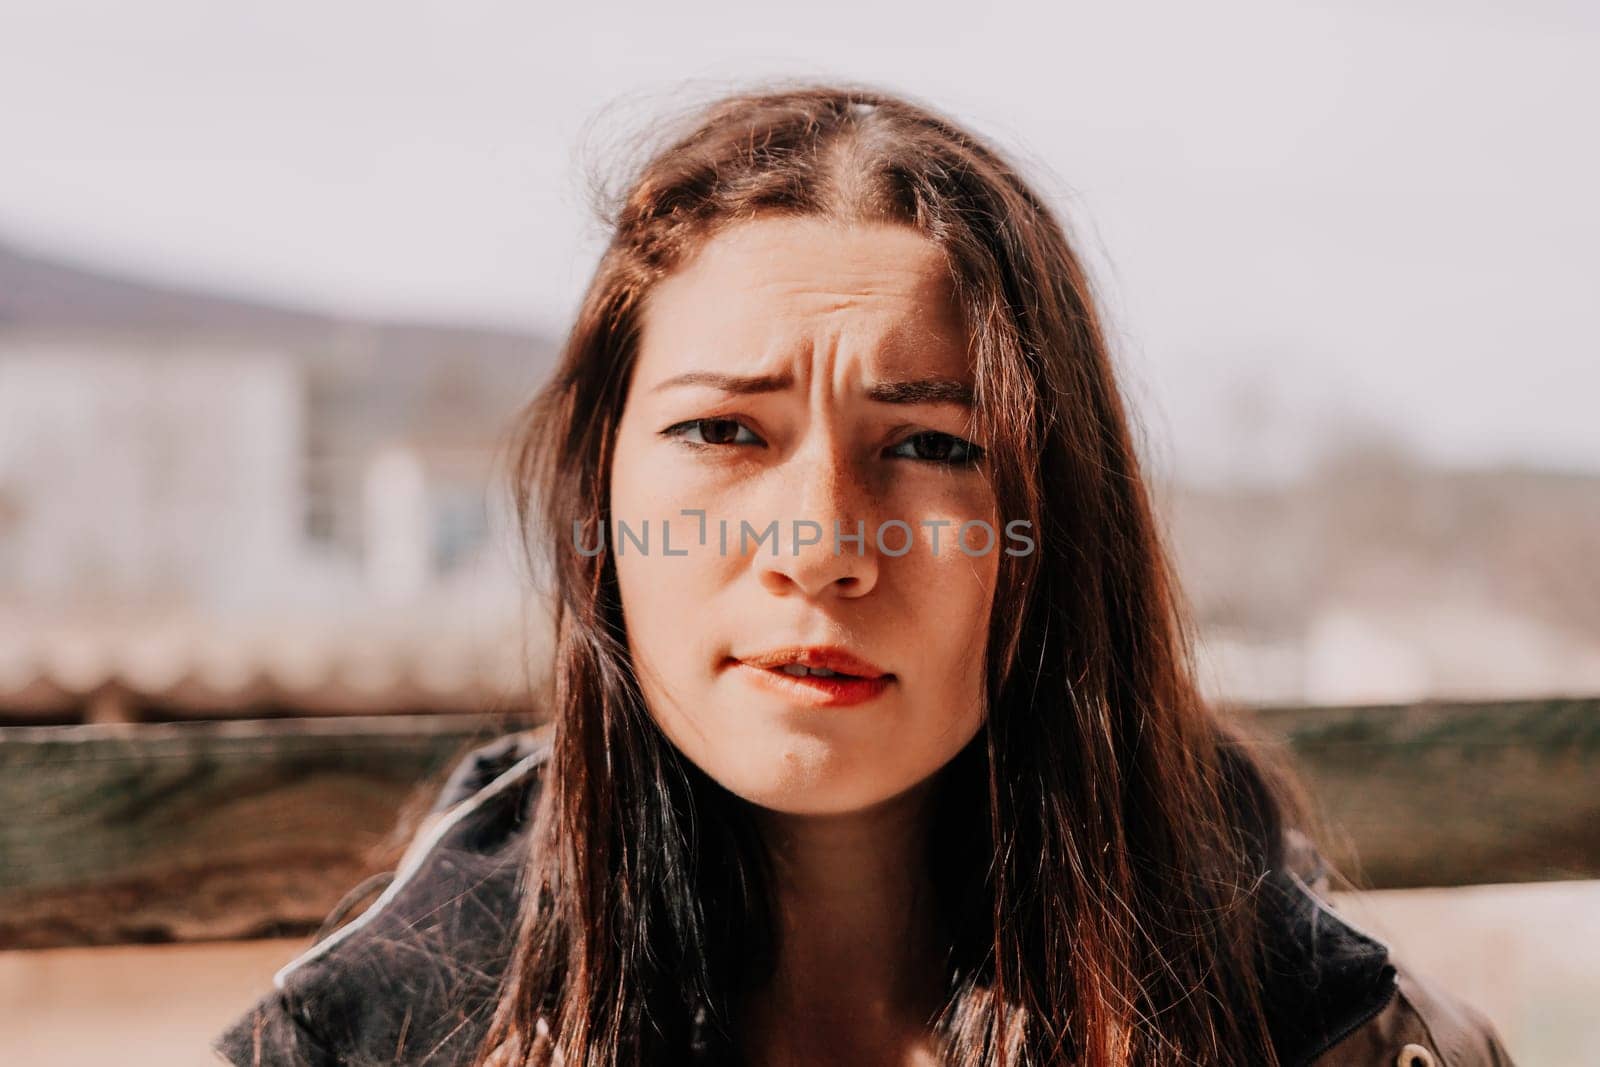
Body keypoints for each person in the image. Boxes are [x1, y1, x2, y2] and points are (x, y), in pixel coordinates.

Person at [215, 81, 1517, 1067]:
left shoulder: (1335, 1035)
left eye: (934, 447)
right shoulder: (380, 1034)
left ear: (1056, 529)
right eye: (725, 432)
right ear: (598, 504)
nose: (824, 548)